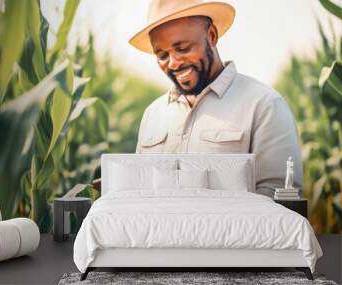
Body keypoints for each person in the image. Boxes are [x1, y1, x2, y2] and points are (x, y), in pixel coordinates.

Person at [130, 0, 303, 197]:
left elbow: (279, 201)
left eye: (183, 48)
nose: (173, 63)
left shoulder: (264, 106)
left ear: (212, 35)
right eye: (162, 55)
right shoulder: (153, 114)